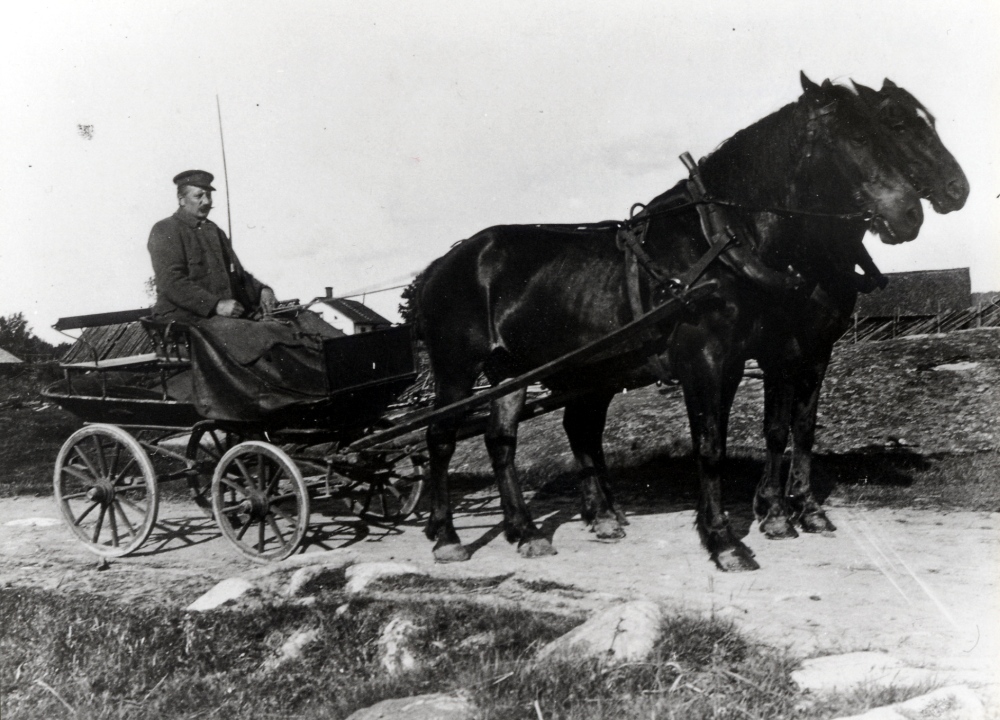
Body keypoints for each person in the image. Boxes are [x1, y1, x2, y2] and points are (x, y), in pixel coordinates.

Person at [148, 170, 277, 322]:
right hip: (184, 318)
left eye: (209, 195)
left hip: (221, 317)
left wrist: (262, 290)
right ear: (181, 199)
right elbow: (171, 282)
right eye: (199, 196)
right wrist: (215, 305)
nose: (207, 202)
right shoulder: (165, 229)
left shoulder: (216, 231)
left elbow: (238, 275)